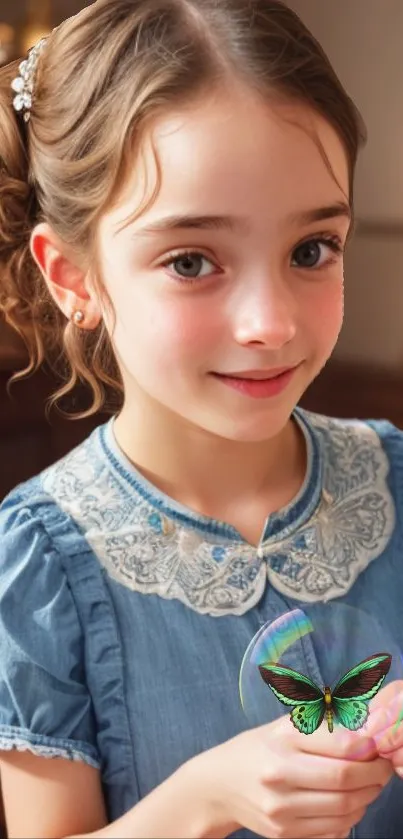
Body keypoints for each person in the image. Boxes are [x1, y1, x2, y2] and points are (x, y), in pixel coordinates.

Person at [0, 0, 403, 836]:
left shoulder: (398, 484)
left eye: (310, 250)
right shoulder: (37, 569)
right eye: (191, 260)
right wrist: (204, 799)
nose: (271, 323)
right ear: (73, 277)